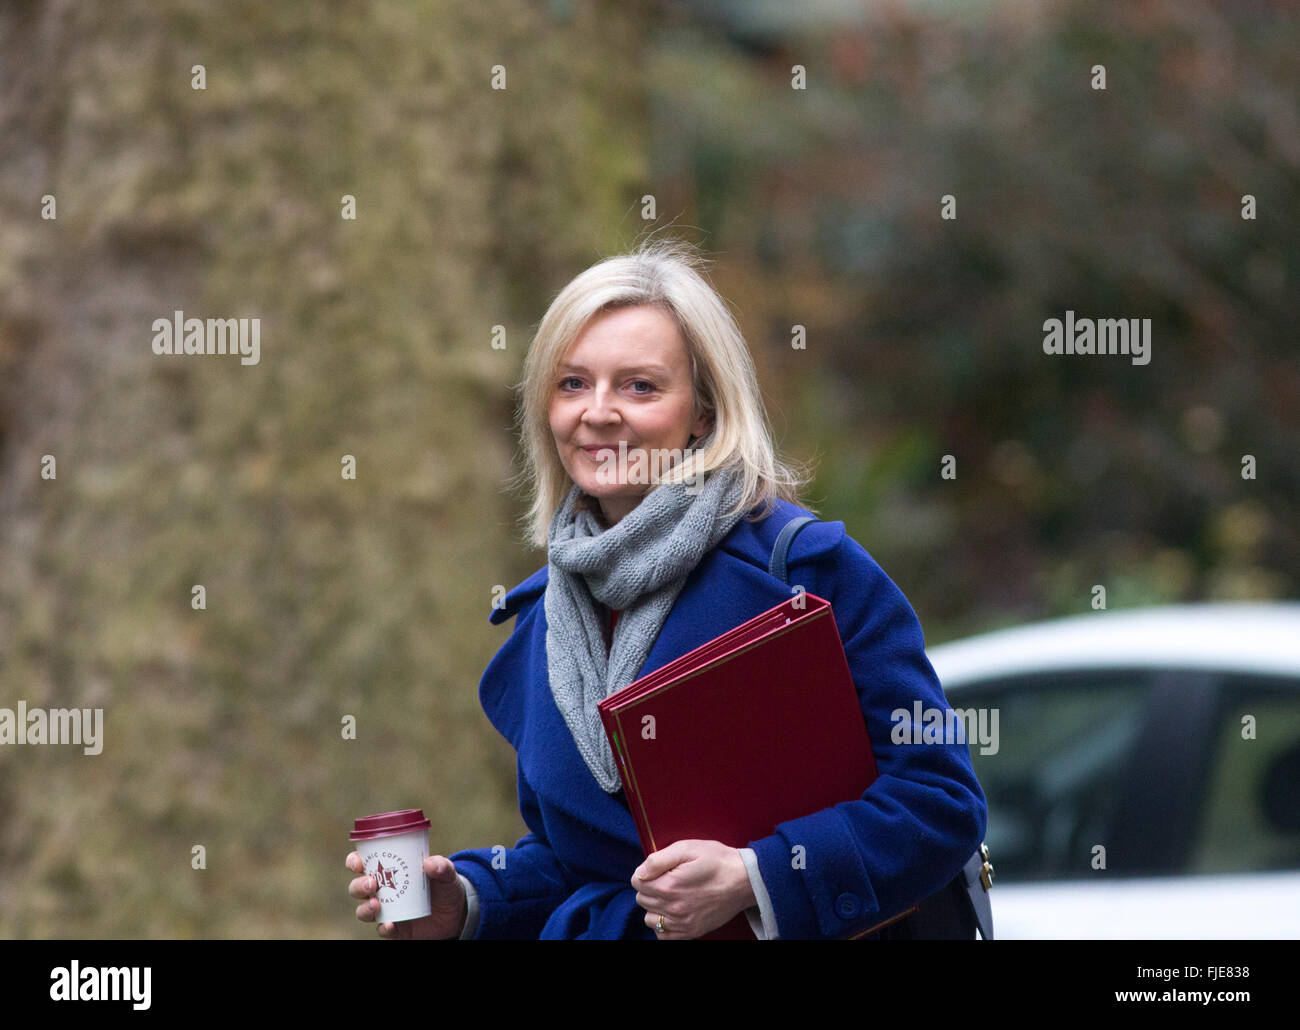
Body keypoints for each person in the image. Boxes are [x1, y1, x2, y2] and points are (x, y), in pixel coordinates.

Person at [346, 239, 987, 939]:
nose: (597, 412)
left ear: (704, 413)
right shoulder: (541, 624)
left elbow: (940, 801)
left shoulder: (805, 569)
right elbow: (585, 866)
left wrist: (758, 875)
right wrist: (468, 903)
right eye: (571, 384)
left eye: (639, 386)